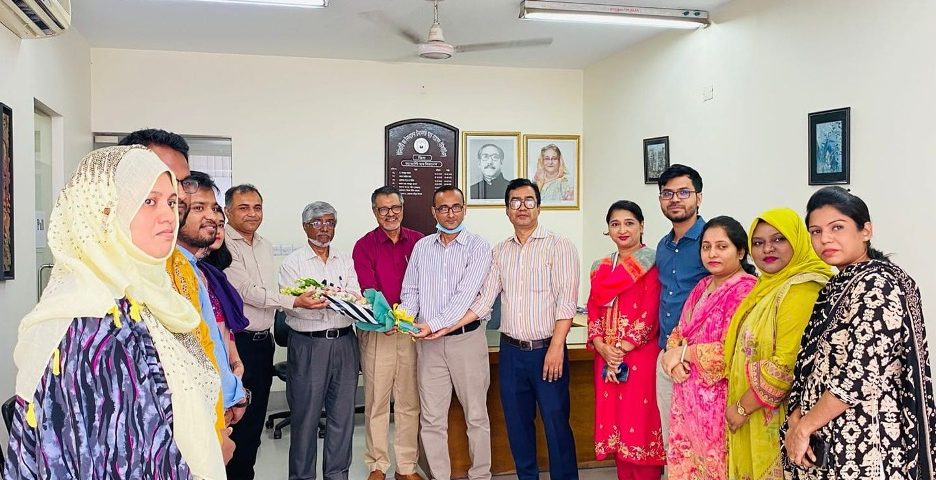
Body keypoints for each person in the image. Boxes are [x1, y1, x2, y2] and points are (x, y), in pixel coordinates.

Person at [4, 146, 225, 479]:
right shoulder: (90, 326)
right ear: (103, 213)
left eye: (170, 202)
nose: (168, 216)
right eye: (148, 201)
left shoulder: (142, 295)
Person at [782, 187, 936, 479]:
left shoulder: (878, 285)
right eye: (816, 231)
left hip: (866, 443)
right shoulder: (838, 284)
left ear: (866, 230)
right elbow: (813, 364)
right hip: (826, 441)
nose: (825, 239)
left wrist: (803, 428)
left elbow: (860, 375)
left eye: (837, 227)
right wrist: (797, 419)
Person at [119, 129, 237, 460]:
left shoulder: (179, 267)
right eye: (153, 193)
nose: (179, 195)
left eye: (182, 184)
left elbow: (200, 348)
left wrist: (216, 425)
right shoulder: (100, 285)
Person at [467, 178, 580, 480]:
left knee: (556, 424)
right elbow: (483, 302)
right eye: (514, 202)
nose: (522, 207)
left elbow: (566, 303)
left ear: (539, 207)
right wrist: (442, 326)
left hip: (547, 350)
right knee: (517, 426)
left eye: (529, 201)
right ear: (507, 210)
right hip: (511, 353)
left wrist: (556, 347)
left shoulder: (559, 246)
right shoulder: (499, 251)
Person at [723, 208, 832, 480]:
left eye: (778, 239)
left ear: (798, 240)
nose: (767, 249)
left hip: (779, 416)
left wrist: (741, 408)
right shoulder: (767, 286)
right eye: (758, 242)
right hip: (756, 413)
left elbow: (786, 366)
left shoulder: (802, 289)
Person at [223, 184, 322, 480]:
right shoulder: (222, 245)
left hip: (262, 344)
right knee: (233, 422)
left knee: (254, 421)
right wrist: (294, 301)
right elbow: (246, 291)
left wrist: (300, 300)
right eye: (243, 208)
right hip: (236, 346)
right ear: (227, 211)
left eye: (257, 207)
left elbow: (269, 291)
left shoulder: (264, 245)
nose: (252, 214)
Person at [400, 186, 493, 480]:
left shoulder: (479, 247)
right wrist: (406, 318)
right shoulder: (422, 247)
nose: (450, 214)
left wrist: (433, 323)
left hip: (466, 340)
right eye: (443, 208)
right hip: (428, 345)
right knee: (431, 418)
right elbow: (410, 290)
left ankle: (481, 475)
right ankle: (439, 476)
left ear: (465, 210)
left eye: (456, 207)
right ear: (434, 212)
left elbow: (465, 296)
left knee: (476, 415)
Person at [660, 216, 757, 480]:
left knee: (717, 467)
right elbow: (680, 330)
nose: (712, 254)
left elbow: (736, 351)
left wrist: (683, 354)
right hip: (687, 397)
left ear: (740, 251)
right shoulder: (703, 285)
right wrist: (674, 359)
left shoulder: (746, 291)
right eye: (706, 247)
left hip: (719, 401)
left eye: (722, 247)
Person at [277, 201, 360, 480]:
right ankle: (302, 476)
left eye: (330, 222)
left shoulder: (344, 260)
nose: (324, 228)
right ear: (305, 227)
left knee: (342, 418)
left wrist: (331, 300)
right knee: (305, 418)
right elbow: (292, 305)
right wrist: (331, 300)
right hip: (309, 345)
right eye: (317, 222)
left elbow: (355, 296)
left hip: (345, 343)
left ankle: (337, 475)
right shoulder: (293, 263)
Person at [586, 200, 665, 480]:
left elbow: (651, 311)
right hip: (606, 357)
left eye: (629, 223)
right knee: (617, 423)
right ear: (607, 229)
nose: (622, 230)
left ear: (641, 226)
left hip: (639, 357)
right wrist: (600, 345)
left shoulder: (653, 263)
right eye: (615, 224)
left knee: (640, 423)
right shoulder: (601, 267)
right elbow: (593, 308)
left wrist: (620, 349)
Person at [352, 186, 425, 480]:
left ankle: (406, 467)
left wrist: (406, 319)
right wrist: (385, 320)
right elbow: (367, 289)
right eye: (383, 209)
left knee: (409, 401)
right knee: (377, 401)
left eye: (395, 208)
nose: (390, 214)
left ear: (402, 209)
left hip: (410, 332)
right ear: (375, 212)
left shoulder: (419, 242)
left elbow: (426, 285)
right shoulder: (364, 246)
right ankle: (377, 465)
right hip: (377, 332)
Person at [169, 170, 248, 424]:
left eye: (214, 209)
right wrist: (235, 395)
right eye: (198, 208)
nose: (212, 217)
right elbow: (195, 350)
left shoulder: (195, 269)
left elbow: (212, 336)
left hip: (217, 396)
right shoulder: (172, 270)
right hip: (197, 405)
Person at [654, 164, 708, 442]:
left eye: (683, 192)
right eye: (668, 193)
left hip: (700, 360)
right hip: (666, 356)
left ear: (699, 197)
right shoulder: (663, 246)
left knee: (704, 442)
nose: (675, 199)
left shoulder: (712, 241)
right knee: (671, 441)